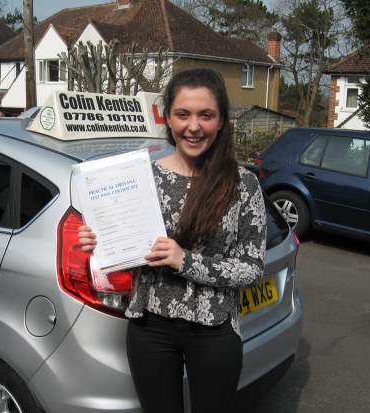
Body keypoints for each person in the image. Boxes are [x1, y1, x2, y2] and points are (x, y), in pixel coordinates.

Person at [79, 68, 266, 413]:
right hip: (150, 327)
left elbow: (252, 269)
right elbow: (127, 250)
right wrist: (99, 243)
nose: (193, 126)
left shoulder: (242, 184)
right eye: (183, 114)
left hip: (213, 329)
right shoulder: (141, 178)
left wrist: (186, 261)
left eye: (205, 115)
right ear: (168, 117)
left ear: (222, 120)